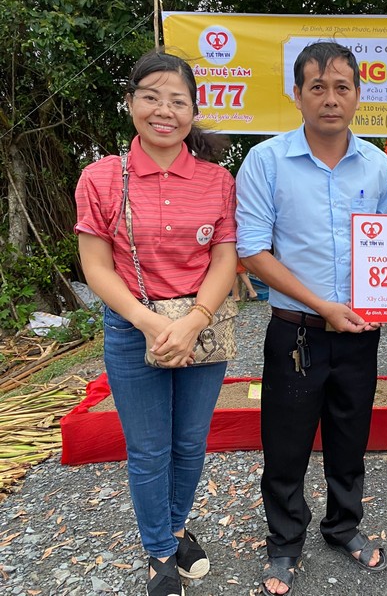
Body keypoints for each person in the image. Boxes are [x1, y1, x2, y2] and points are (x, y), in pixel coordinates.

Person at [235, 41, 387, 595]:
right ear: (297, 94)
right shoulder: (266, 161)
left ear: (358, 95)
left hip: (361, 331)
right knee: (285, 444)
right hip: (296, 331)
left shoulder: (377, 165)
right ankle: (284, 542)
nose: (331, 99)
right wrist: (322, 305)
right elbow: (253, 251)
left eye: (341, 87)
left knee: (350, 438)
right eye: (318, 87)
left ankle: (343, 526)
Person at [74, 49, 238, 596]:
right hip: (131, 328)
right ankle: (161, 551)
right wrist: (148, 322)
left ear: (193, 111)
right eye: (151, 97)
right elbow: (96, 266)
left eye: (177, 101)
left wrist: (193, 320)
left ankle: (176, 527)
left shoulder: (217, 180)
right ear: (130, 103)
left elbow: (224, 258)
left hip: (201, 328)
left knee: (190, 442)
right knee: (148, 450)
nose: (164, 111)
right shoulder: (101, 178)